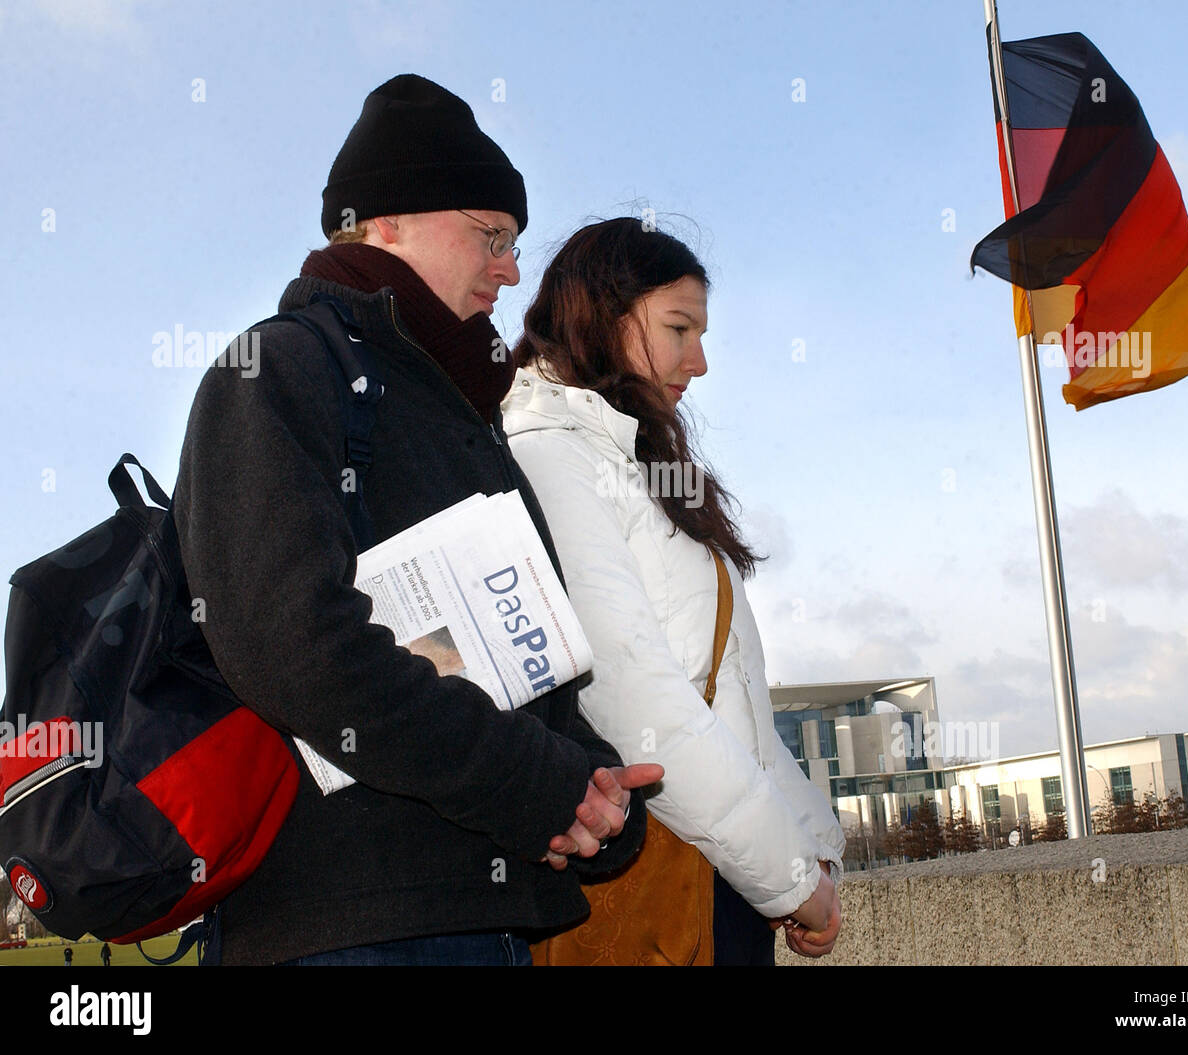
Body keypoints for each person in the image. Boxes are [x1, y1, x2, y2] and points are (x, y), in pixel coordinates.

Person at [171, 77, 659, 966]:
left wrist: (595, 793)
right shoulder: (272, 371)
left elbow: (536, 670)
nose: (512, 268)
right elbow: (296, 647)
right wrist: (530, 782)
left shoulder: (466, 416)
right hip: (346, 932)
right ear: (386, 221)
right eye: (492, 234)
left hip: (486, 915)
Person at [503, 218, 846, 964]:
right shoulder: (549, 459)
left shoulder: (642, 466)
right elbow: (632, 697)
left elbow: (732, 695)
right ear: (603, 314)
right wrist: (789, 877)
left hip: (715, 869)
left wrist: (810, 849)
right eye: (679, 328)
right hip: (658, 868)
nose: (702, 360)